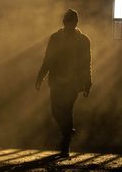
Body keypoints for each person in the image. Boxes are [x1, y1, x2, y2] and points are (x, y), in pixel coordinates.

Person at [35, 8, 92, 157]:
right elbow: (48, 59)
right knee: (56, 110)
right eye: (68, 23)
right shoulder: (56, 39)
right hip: (58, 81)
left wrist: (87, 83)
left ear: (75, 23)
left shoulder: (83, 41)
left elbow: (87, 64)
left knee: (65, 110)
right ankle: (68, 131)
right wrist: (40, 76)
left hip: (72, 83)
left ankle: (65, 144)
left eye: (72, 23)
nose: (70, 26)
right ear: (65, 23)